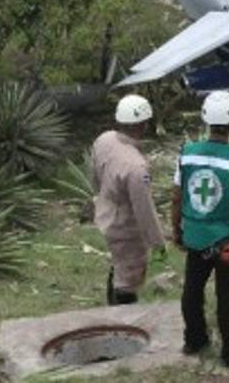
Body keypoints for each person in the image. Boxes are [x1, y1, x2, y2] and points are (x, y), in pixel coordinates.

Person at [173, 91, 229, 368]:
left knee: (192, 291)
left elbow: (176, 197)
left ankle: (194, 340)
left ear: (206, 119)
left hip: (196, 238)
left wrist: (176, 229)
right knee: (227, 297)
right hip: (228, 243)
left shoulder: (186, 154)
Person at [90, 95, 167, 305]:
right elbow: (144, 210)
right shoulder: (135, 166)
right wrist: (158, 244)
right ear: (143, 124)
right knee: (128, 278)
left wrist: (99, 196)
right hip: (125, 224)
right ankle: (122, 321)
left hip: (105, 210)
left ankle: (112, 310)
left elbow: (94, 173)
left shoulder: (104, 139)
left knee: (118, 264)